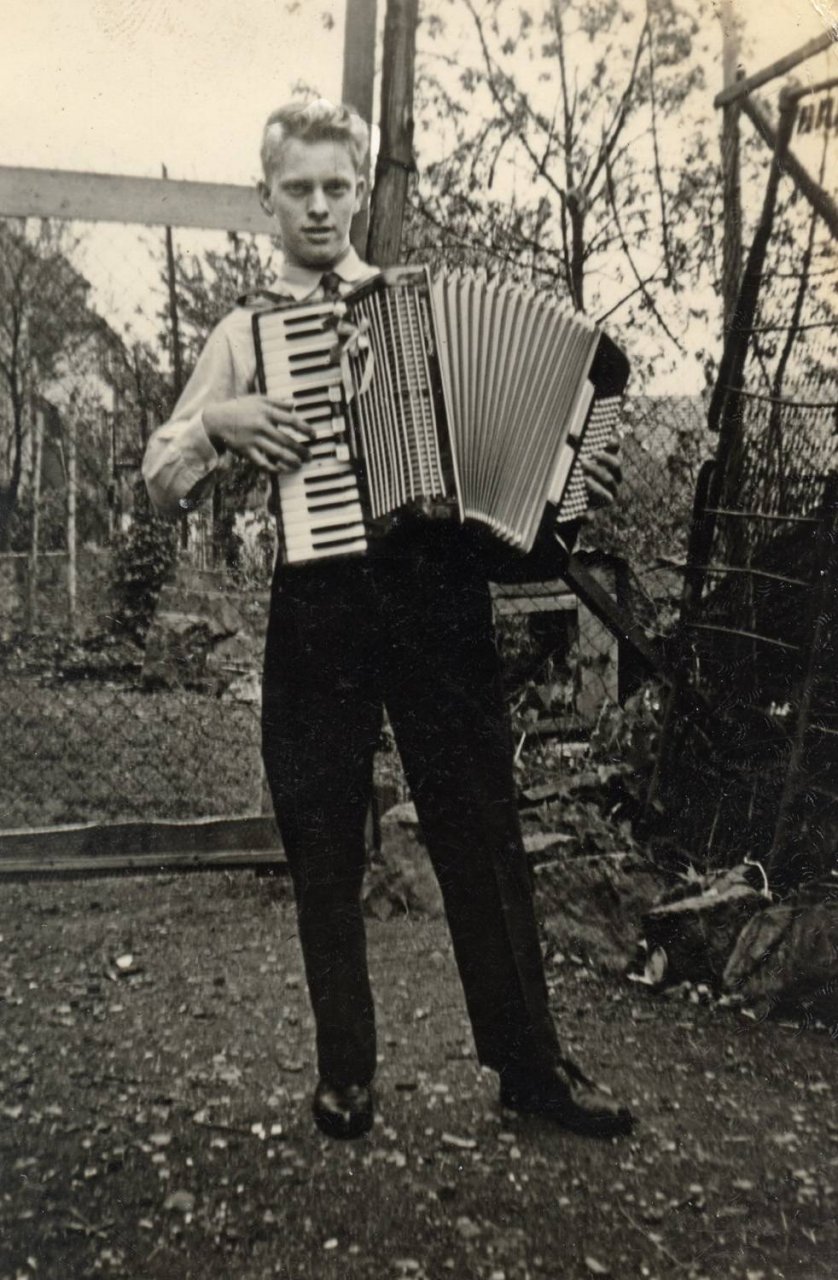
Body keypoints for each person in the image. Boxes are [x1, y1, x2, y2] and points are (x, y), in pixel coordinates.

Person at [143, 99, 635, 1142]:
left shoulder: (415, 302)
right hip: (317, 601)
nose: (320, 207)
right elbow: (160, 476)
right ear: (265, 198)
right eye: (298, 189)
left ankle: (531, 1066)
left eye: (337, 187)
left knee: (481, 827)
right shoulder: (245, 333)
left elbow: (528, 484)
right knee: (322, 830)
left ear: (360, 191)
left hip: (435, 597)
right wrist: (218, 421)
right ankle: (345, 1072)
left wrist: (569, 487)